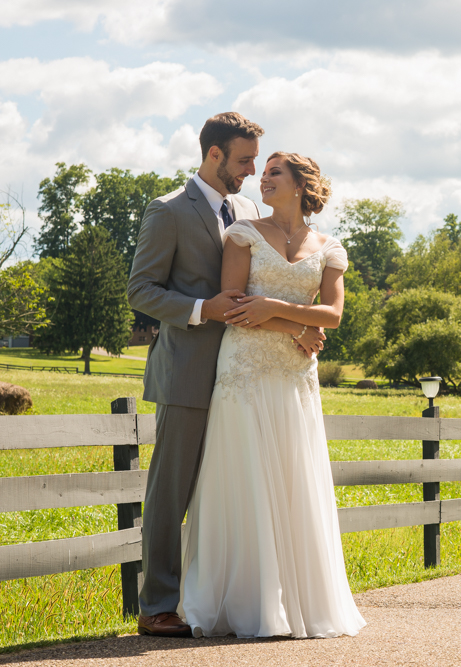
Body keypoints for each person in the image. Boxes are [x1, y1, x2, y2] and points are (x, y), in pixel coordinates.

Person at [177, 151, 366, 638]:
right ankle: (246, 603)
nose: (262, 179)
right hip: (244, 368)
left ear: (302, 184)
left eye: (273, 173)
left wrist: (283, 315)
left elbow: (333, 316)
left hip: (295, 376)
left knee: (292, 477)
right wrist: (292, 328)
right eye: (261, 173)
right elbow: (236, 306)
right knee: (246, 477)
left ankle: (297, 601)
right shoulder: (242, 235)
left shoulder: (329, 247)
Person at [128, 112, 273, 637]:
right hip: (187, 373)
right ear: (214, 154)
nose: (252, 170)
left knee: (234, 489)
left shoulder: (249, 209)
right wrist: (201, 309)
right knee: (172, 492)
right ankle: (158, 605)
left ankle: (219, 599)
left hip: (247, 374)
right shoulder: (167, 211)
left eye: (255, 159)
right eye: (244, 159)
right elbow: (141, 290)